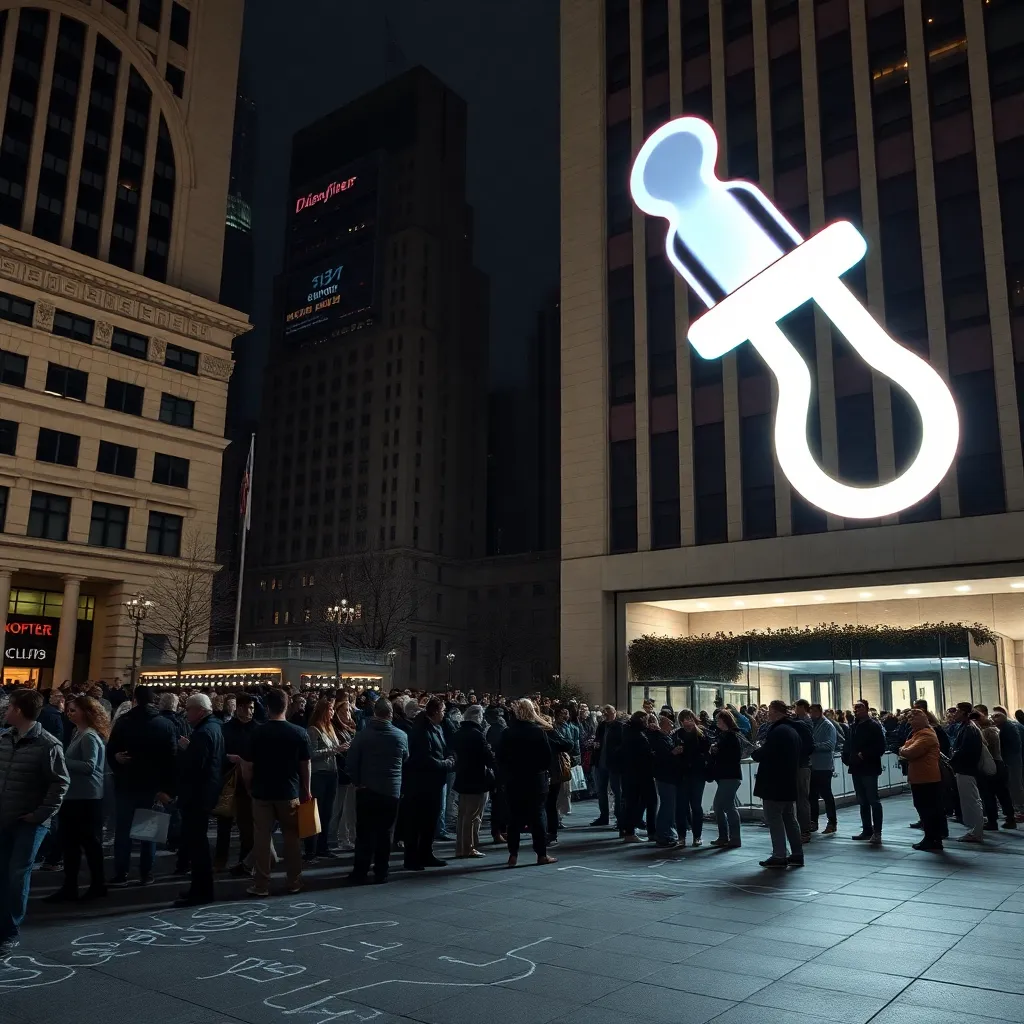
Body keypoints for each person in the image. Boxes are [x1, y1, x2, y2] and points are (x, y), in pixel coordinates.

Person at [0, 689, 70, 953]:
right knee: (3, 873)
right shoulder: (4, 738)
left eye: (8, 707)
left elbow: (60, 784)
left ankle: (8, 931)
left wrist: (40, 815)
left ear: (18, 711)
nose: (5, 711)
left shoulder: (48, 744)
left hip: (29, 823)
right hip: (5, 818)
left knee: (17, 874)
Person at [242, 688, 312, 897]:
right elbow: (305, 765)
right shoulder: (299, 732)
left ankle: (261, 884)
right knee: (292, 838)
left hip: (262, 792)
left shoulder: (256, 732)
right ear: (287, 705)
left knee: (262, 838)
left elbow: (247, 766)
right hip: (288, 791)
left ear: (267, 706)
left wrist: (249, 787)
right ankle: (294, 881)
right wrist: (307, 790)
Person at [106, 685, 177, 886]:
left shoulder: (124, 722)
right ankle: (146, 872)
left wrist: (116, 759)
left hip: (127, 782)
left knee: (123, 831)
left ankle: (121, 872)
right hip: (153, 786)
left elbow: (111, 750)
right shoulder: (165, 724)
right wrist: (166, 788)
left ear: (135, 700)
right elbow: (171, 759)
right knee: (148, 831)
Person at [44, 696, 109, 903]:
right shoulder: (77, 733)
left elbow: (90, 767)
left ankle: (96, 885)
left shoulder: (89, 736)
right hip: (76, 796)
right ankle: (71, 886)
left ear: (86, 712)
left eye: (74, 710)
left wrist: (62, 759)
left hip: (86, 798)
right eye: (69, 710)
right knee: (72, 844)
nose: (69, 713)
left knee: (88, 844)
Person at [343, 697, 409, 885]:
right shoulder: (401, 736)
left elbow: (351, 763)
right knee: (385, 832)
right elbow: (405, 758)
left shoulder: (362, 735)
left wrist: (357, 782)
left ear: (374, 713)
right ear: (390, 714)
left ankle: (360, 871)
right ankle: (381, 871)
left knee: (364, 833)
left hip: (367, 789)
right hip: (391, 790)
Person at [173, 694, 224, 907]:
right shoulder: (214, 727)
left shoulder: (203, 732)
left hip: (198, 795)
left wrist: (185, 750)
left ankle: (201, 891)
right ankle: (200, 888)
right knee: (198, 843)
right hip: (206, 793)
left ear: (200, 711)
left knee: (197, 845)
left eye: (189, 710)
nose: (186, 714)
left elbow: (195, 766)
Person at [497, 700, 558, 867]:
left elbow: (500, 757)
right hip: (535, 780)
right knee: (538, 817)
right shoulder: (538, 732)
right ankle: (541, 854)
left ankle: (513, 854)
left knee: (514, 818)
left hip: (514, 780)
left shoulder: (508, 732)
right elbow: (546, 758)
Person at [750, 700, 803, 868]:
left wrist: (756, 752)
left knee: (774, 819)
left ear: (777, 712)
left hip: (774, 783)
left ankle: (779, 854)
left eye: (770, 711)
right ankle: (796, 853)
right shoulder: (792, 730)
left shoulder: (778, 731)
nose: (767, 714)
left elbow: (766, 753)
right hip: (788, 782)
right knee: (790, 818)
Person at [404, 697, 453, 870]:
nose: (444, 714)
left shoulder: (436, 728)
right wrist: (446, 763)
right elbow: (425, 759)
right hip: (422, 783)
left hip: (434, 782)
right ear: (435, 712)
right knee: (417, 821)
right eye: (442, 711)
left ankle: (426, 853)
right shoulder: (421, 730)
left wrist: (449, 758)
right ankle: (412, 857)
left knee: (430, 821)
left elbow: (443, 748)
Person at [215, 693, 259, 875]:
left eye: (252, 708)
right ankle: (220, 860)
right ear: (238, 708)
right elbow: (218, 753)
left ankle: (244, 862)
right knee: (224, 823)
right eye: (247, 707)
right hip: (228, 780)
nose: (250, 711)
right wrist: (228, 758)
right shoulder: (225, 729)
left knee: (247, 826)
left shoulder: (257, 729)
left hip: (248, 783)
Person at [452, 705, 495, 858]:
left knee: (463, 814)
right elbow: (487, 756)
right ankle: (468, 847)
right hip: (476, 778)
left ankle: (460, 846)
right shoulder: (477, 735)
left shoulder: (458, 733)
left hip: (462, 776)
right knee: (473, 814)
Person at [899, 708, 944, 851]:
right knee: (925, 809)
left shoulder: (926, 735)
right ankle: (931, 838)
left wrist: (902, 750)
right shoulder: (918, 734)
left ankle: (932, 839)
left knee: (928, 810)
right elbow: (908, 746)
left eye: (912, 720)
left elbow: (910, 751)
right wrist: (905, 748)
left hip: (926, 778)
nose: (909, 722)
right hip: (921, 777)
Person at [305, 698, 341, 861]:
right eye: (331, 709)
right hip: (319, 774)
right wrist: (334, 750)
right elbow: (311, 754)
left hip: (331, 773)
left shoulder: (330, 728)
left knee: (327, 812)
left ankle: (323, 846)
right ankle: (311, 849)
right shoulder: (313, 730)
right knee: (315, 813)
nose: (333, 712)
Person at [847, 699, 886, 844]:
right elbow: (849, 744)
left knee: (873, 800)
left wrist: (864, 754)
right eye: (855, 707)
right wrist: (849, 757)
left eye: (860, 707)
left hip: (869, 768)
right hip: (856, 767)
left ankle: (877, 832)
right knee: (862, 801)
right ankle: (866, 829)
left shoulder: (873, 726)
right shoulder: (854, 726)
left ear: (867, 709)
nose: (857, 710)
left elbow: (880, 747)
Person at [971, 709, 1015, 831]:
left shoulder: (984, 732)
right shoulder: (994, 729)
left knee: (988, 794)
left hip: (990, 764)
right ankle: (1010, 818)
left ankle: (992, 821)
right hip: (999, 763)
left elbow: (983, 750)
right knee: (1003, 793)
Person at [949, 702, 985, 843]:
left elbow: (966, 750)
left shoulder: (969, 728)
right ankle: (975, 829)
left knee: (971, 800)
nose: (954, 714)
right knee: (970, 799)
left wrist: (954, 757)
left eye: (957, 711)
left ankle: (976, 831)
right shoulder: (967, 727)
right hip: (965, 768)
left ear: (964, 712)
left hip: (966, 769)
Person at [672, 710, 709, 847]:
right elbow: (671, 751)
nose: (687, 722)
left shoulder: (701, 734)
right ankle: (681, 836)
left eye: (689, 719)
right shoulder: (676, 734)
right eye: (684, 720)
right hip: (682, 775)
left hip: (697, 774)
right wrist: (675, 752)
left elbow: (706, 750)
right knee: (681, 807)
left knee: (696, 806)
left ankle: (697, 835)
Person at [619, 711, 656, 843]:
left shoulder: (628, 731)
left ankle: (629, 830)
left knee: (633, 802)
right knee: (648, 801)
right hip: (641, 773)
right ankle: (648, 831)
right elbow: (645, 753)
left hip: (631, 773)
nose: (647, 721)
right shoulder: (637, 735)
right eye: (646, 719)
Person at [710, 709, 743, 849]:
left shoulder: (729, 737)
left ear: (724, 721)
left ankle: (732, 837)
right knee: (722, 806)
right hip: (729, 775)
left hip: (729, 775)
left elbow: (731, 757)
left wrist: (716, 751)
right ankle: (726, 836)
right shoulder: (729, 736)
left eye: (718, 720)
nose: (717, 722)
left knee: (726, 806)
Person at [329, 696, 357, 852]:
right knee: (341, 808)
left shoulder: (349, 727)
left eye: (349, 710)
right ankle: (339, 837)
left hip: (349, 772)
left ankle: (346, 836)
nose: (348, 714)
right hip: (342, 772)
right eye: (345, 711)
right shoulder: (336, 729)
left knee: (349, 809)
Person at [808, 703, 839, 836]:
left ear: (819, 712)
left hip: (824, 766)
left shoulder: (828, 725)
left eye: (813, 712)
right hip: (813, 765)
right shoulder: (812, 725)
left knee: (826, 794)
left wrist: (813, 746)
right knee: (812, 795)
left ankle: (832, 822)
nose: (811, 715)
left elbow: (830, 744)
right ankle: (813, 821)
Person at [545, 708, 574, 846]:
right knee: (550, 804)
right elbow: (568, 744)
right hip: (551, 772)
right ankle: (551, 833)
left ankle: (549, 832)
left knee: (547, 804)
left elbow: (569, 744)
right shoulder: (551, 733)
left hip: (547, 773)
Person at [591, 705, 623, 829]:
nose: (607, 715)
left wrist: (615, 752)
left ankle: (619, 818)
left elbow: (622, 744)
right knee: (601, 791)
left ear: (615, 713)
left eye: (609, 713)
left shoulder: (620, 726)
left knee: (617, 792)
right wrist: (595, 744)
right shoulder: (602, 726)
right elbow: (597, 740)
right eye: (605, 713)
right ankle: (604, 816)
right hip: (600, 763)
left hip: (614, 764)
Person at [650, 714, 678, 847]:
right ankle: (663, 833)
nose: (672, 726)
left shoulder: (665, 737)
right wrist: (673, 753)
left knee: (668, 805)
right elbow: (662, 758)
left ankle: (666, 832)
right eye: (670, 724)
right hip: (665, 776)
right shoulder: (660, 739)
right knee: (667, 805)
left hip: (668, 776)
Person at [992, 709, 1024, 820]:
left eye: (995, 718)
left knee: (1016, 785)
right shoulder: (1008, 727)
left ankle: (1021, 810)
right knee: (1014, 785)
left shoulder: (1009, 728)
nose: (993, 721)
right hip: (1013, 760)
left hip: (1013, 761)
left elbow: (1012, 748)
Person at [791, 700, 815, 841]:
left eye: (796, 707)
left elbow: (808, 745)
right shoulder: (799, 721)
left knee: (802, 798)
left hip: (802, 765)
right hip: (800, 764)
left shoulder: (805, 723)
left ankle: (805, 829)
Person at [484, 705, 508, 842]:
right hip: (499, 770)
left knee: (502, 803)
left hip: (501, 769)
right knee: (499, 803)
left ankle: (502, 830)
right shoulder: (495, 730)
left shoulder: (497, 729)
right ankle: (497, 831)